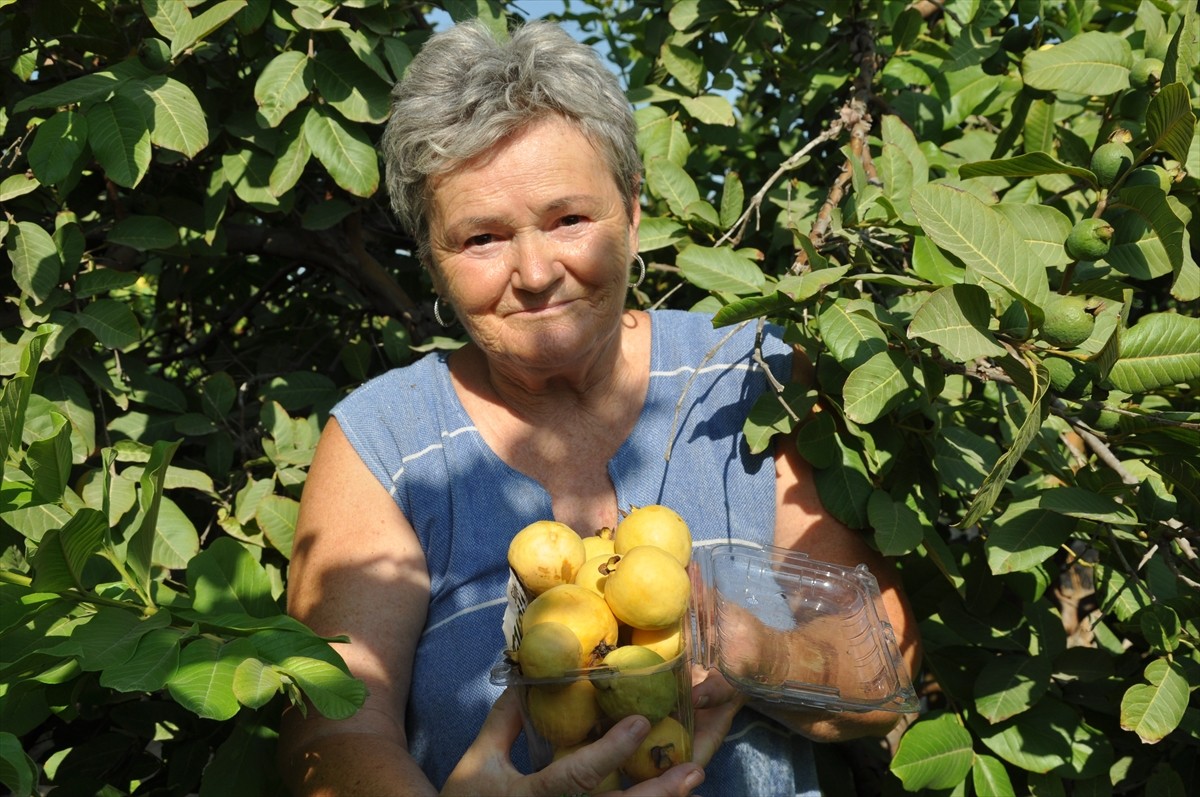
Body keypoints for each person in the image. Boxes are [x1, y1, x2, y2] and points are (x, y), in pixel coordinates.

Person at [278, 18, 921, 797]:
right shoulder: (382, 442)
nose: (536, 271)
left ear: (634, 213)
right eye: (481, 237)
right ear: (432, 261)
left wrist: (762, 658)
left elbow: (886, 661)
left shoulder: (751, 378)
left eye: (568, 220)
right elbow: (330, 732)